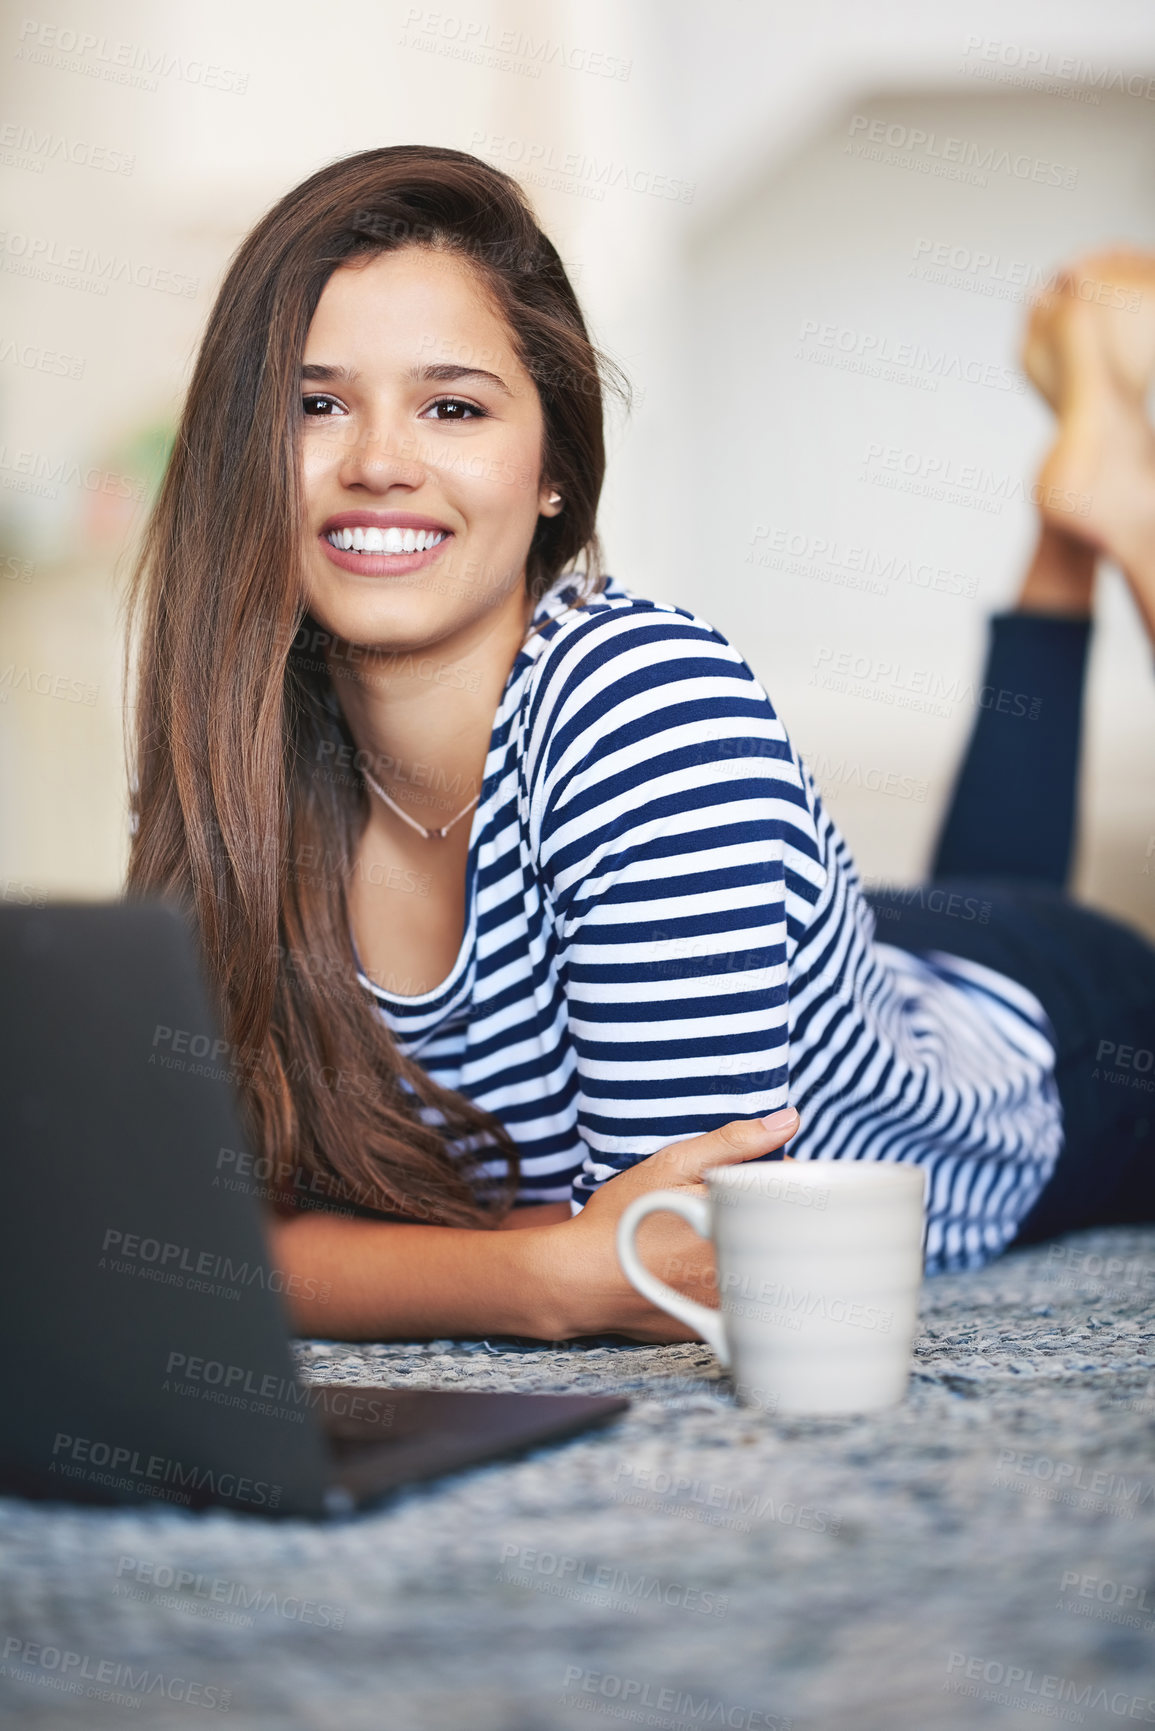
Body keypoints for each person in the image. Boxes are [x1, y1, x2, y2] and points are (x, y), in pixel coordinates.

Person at [126, 148, 1155, 1342]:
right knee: (971, 896)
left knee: (995, 929)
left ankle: (1125, 517)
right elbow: (193, 1231)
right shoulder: (231, 751)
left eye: (452, 405)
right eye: (316, 405)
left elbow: (681, 1267)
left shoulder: (646, 704)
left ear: (555, 468)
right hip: (857, 949)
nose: (379, 462)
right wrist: (538, 1270)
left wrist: (417, 1252)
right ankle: (1075, 521)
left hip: (1064, 1056)